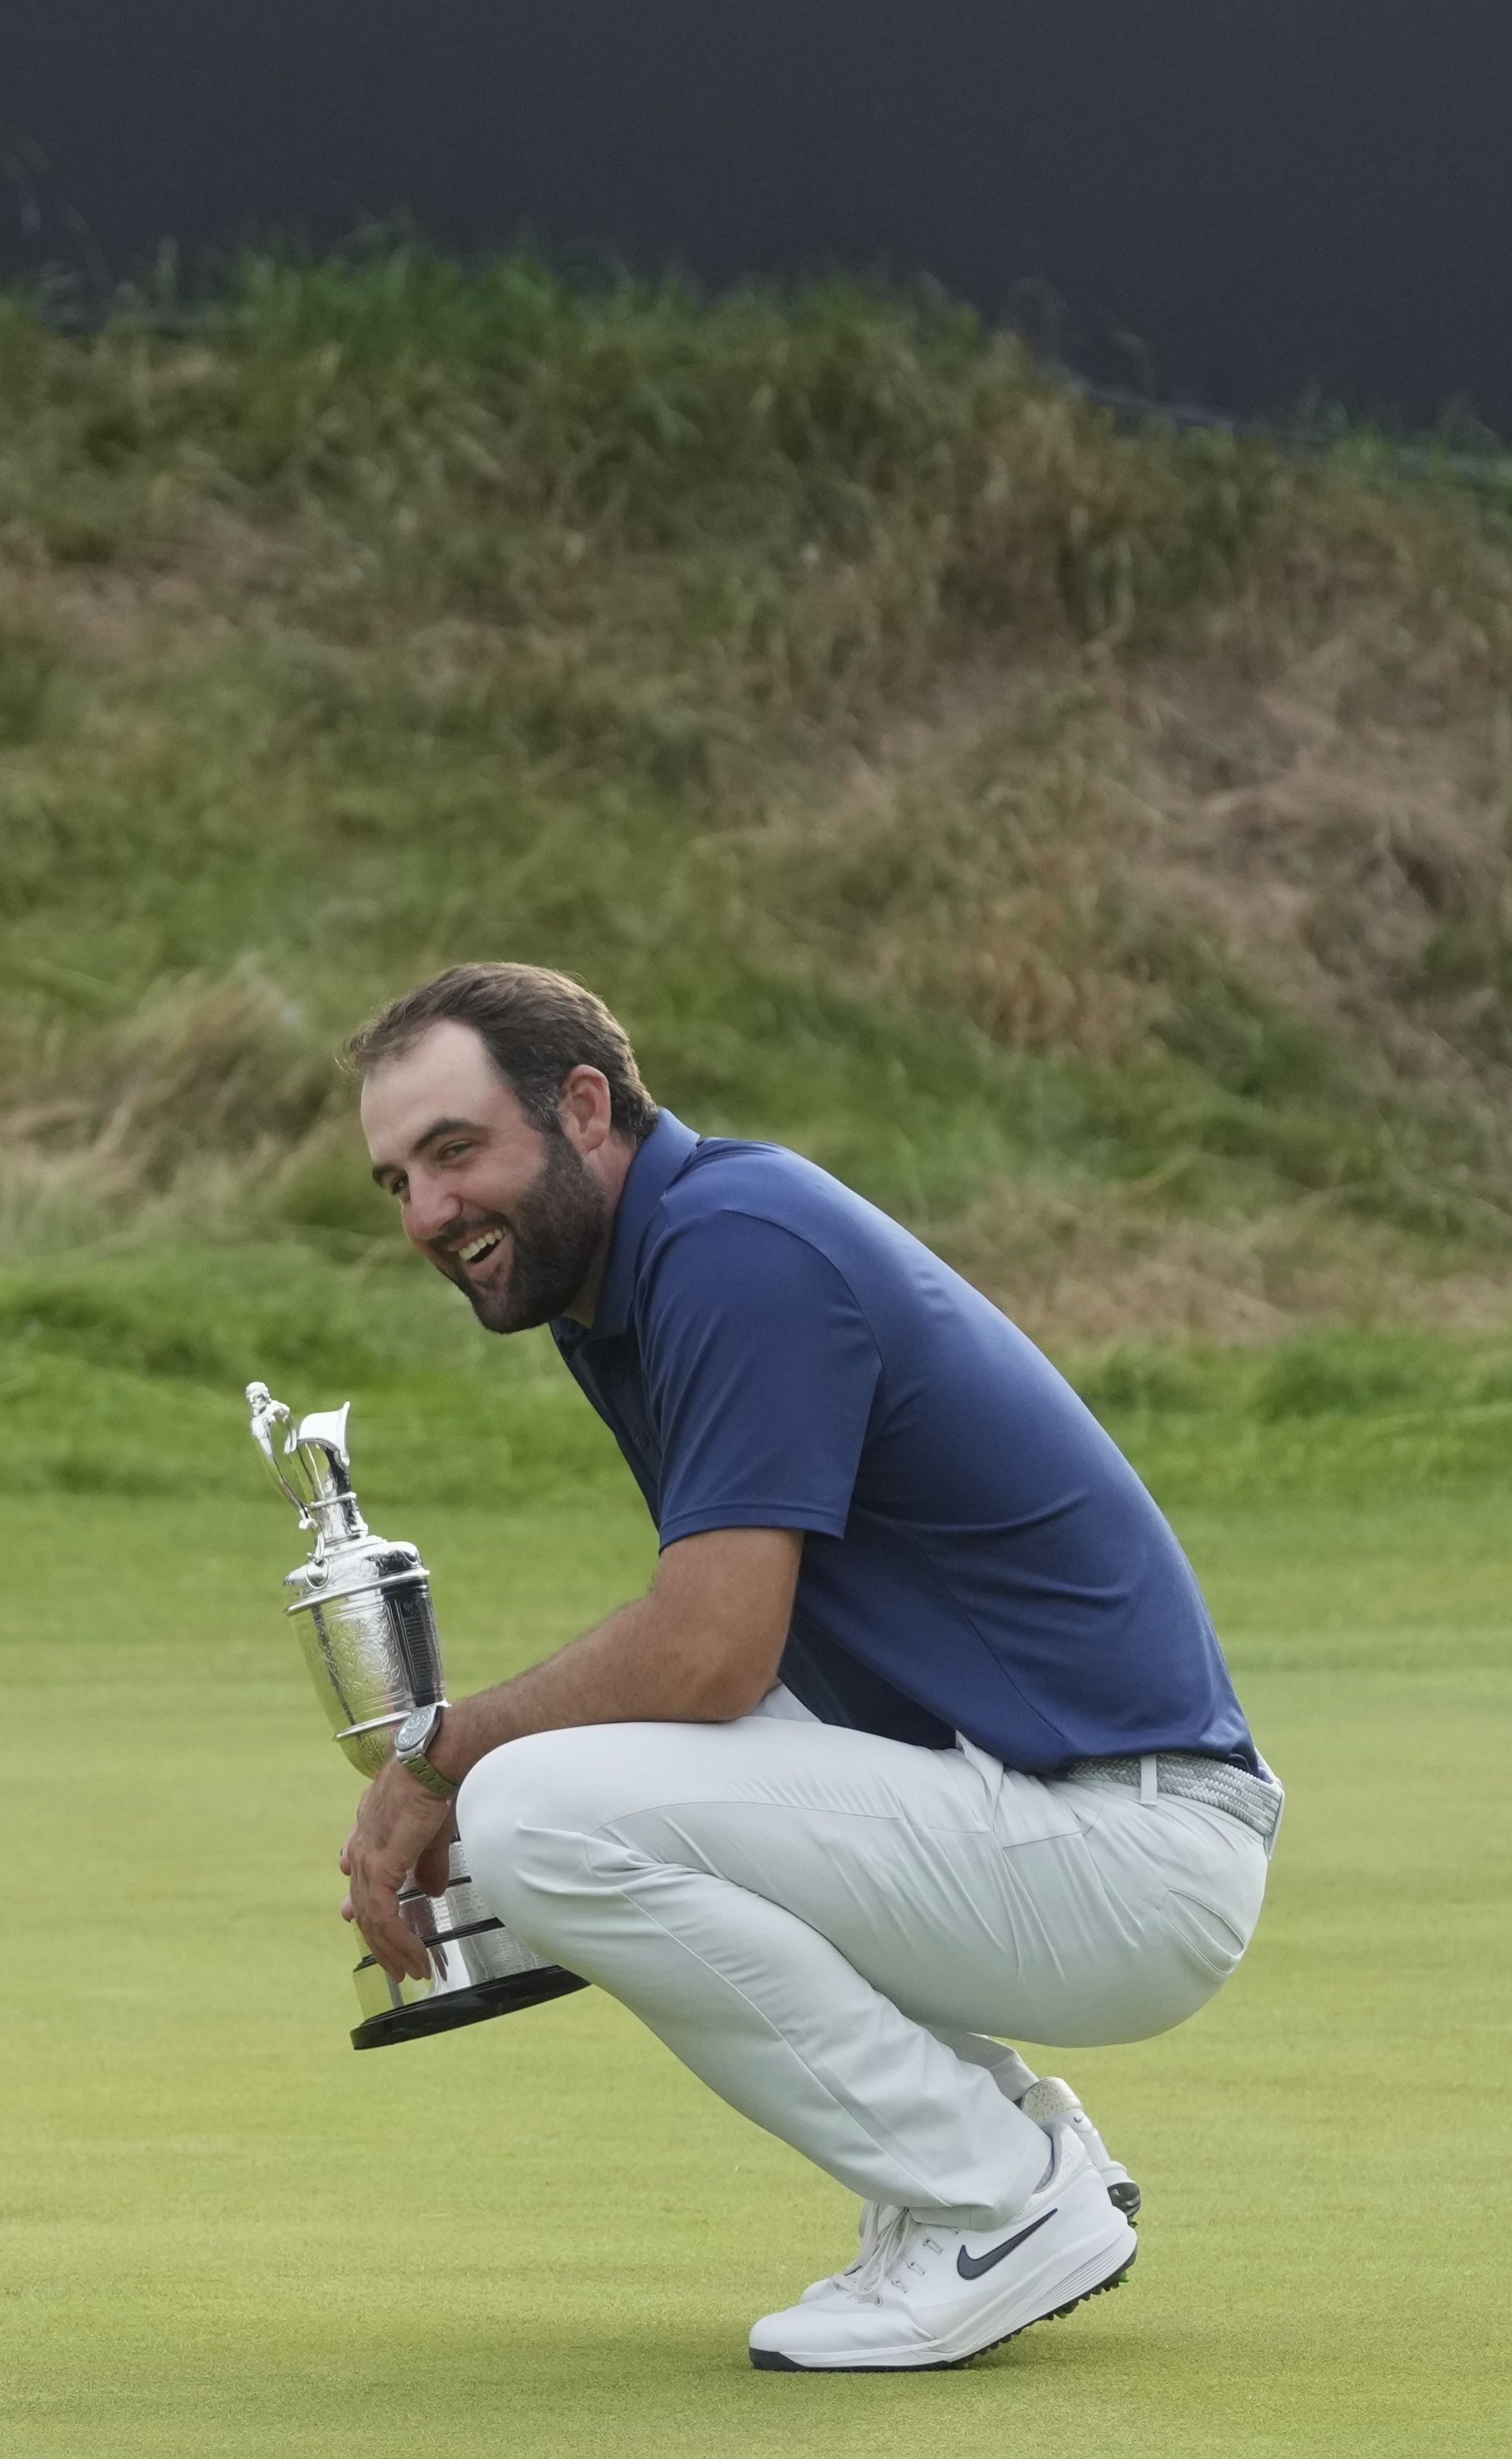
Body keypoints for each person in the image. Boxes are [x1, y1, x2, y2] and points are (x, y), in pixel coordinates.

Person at [339, 962, 1278, 2374]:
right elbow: (741, 1668)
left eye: (454, 1152)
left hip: (1132, 1847)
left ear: (584, 1107)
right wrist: (467, 1766)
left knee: (540, 1810)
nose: (426, 1215)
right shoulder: (637, 1276)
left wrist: (441, 1754)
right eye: (396, 1181)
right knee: (544, 1798)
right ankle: (1003, 2140)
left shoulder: (733, 1247)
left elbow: (714, 1648)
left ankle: (997, 2204)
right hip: (1056, 1812)